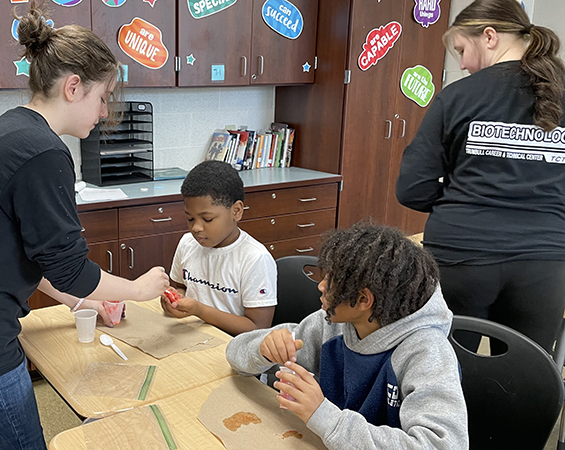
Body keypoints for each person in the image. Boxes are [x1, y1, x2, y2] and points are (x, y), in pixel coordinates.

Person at [0, 4, 170, 449]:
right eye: (103, 97)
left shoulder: (6, 130)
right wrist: (139, 291)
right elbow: (68, 268)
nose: (104, 113)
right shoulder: (43, 152)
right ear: (73, 87)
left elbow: (35, 255)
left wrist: (83, 302)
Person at [396, 0, 565, 352]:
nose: (461, 64)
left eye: (461, 50)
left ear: (489, 36)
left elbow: (412, 188)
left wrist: (461, 200)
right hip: (544, 262)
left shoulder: (456, 97)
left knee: (449, 368)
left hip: (460, 255)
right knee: (524, 374)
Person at [225, 224, 468, 449]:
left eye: (331, 281)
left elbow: (444, 445)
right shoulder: (329, 324)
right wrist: (261, 350)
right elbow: (235, 353)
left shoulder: (426, 352)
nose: (321, 286)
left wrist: (324, 417)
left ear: (363, 300)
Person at [160, 160, 277, 336]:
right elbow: (180, 287)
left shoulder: (255, 258)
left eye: (207, 219)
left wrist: (200, 310)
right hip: (192, 334)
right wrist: (174, 300)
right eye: (190, 219)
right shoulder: (187, 243)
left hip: (232, 347)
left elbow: (258, 328)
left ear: (236, 211)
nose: (196, 228)